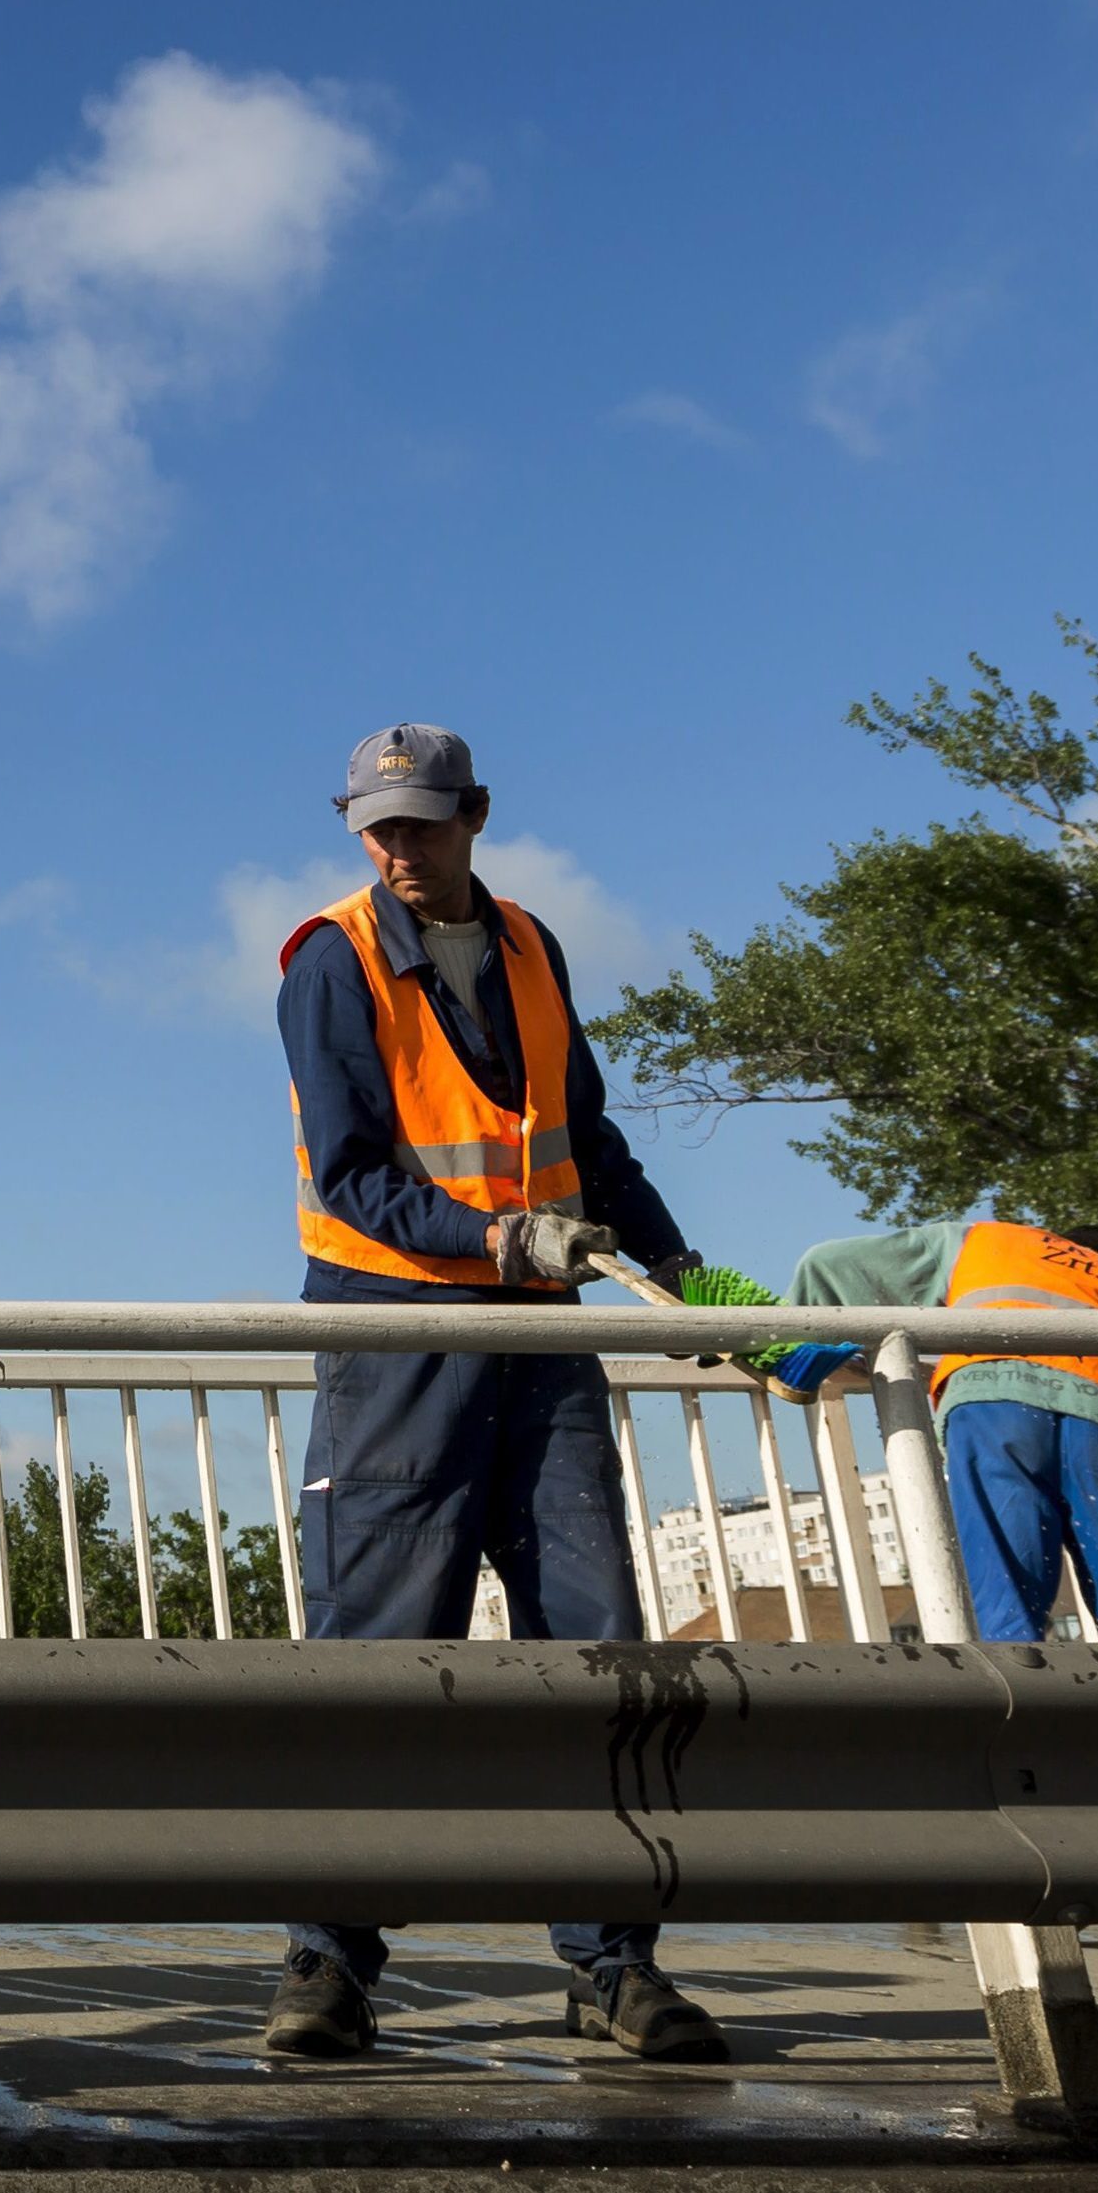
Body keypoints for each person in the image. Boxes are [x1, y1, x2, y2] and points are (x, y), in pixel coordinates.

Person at [264, 722, 735, 2066]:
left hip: (539, 1343)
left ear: (474, 814)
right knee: (375, 1658)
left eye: (418, 821)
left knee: (593, 1649)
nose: (396, 848)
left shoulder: (532, 946)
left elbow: (580, 1134)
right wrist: (494, 1243)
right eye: (375, 826)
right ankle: (327, 1964)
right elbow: (351, 1173)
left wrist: (682, 1270)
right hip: (397, 1338)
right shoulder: (329, 962)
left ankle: (611, 1966)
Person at [773, 1215, 1098, 1949]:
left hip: (990, 1402)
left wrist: (790, 1348)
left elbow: (826, 1255)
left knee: (1005, 1632)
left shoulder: (985, 1238)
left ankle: (1020, 1864)